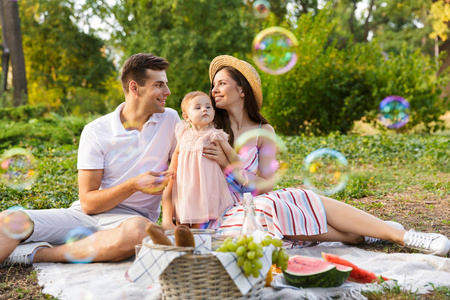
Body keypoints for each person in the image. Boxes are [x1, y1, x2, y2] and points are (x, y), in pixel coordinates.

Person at [202, 54, 450, 256]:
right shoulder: (209, 130)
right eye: (213, 85)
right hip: (229, 215)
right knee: (268, 207)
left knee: (295, 195)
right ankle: (366, 232)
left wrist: (230, 164)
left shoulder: (263, 131)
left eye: (221, 83)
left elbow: (266, 186)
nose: (214, 89)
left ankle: (404, 237)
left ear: (242, 89)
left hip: (260, 202)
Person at [0, 53, 180, 266]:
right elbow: (88, 204)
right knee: (9, 220)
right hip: (84, 217)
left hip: (131, 220)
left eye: (165, 84)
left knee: (140, 232)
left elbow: (180, 172)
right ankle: (87, 245)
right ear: (134, 88)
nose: (167, 92)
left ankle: (37, 255)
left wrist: (169, 220)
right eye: (159, 85)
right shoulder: (96, 131)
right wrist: (134, 184)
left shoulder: (170, 119)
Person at [161, 91, 236, 229]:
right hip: (185, 182)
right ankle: (181, 234)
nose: (204, 110)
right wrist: (172, 168)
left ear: (213, 112)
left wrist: (237, 165)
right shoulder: (184, 133)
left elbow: (231, 153)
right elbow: (177, 152)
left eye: (208, 107)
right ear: (187, 117)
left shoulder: (214, 134)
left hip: (206, 183)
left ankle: (197, 236)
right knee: (183, 211)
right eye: (198, 107)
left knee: (200, 215)